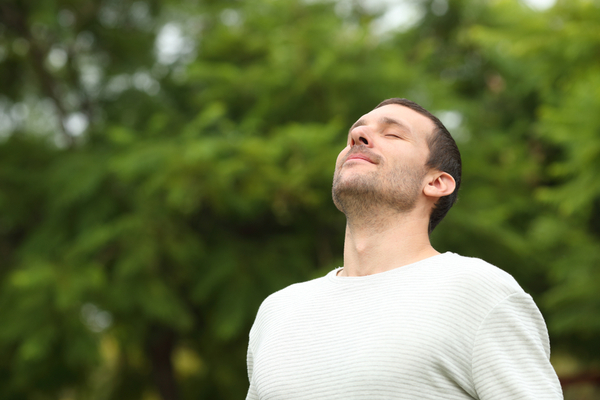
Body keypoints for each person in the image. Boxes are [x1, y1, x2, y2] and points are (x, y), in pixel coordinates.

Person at [245, 98, 563, 399]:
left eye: (393, 133)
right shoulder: (278, 310)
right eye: (355, 132)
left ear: (437, 183)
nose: (358, 135)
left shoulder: (478, 292)